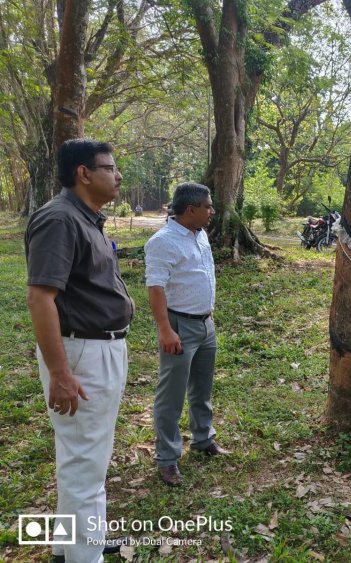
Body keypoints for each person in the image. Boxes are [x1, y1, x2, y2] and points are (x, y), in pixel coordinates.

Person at [25, 138, 133, 563]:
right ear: (83, 173)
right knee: (85, 460)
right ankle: (83, 557)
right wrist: (61, 373)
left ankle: (73, 542)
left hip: (100, 348)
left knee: (86, 454)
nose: (118, 174)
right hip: (81, 355)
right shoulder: (59, 219)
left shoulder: (87, 218)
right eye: (110, 167)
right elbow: (40, 299)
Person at [145, 182, 227, 486]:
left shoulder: (200, 233)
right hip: (179, 326)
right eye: (207, 206)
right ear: (190, 210)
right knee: (171, 395)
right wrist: (165, 330)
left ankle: (203, 438)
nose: (212, 211)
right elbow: (155, 289)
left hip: (205, 324)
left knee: (201, 388)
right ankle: (167, 458)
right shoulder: (163, 241)